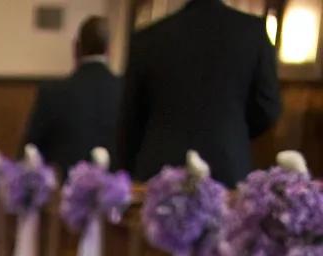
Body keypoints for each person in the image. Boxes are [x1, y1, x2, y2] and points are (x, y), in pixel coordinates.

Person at [120, 0, 281, 188]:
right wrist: (234, 127)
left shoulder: (148, 38)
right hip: (226, 166)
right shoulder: (253, 32)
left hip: (159, 169)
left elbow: (129, 119)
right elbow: (268, 107)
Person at [19, 17, 122, 177]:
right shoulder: (125, 91)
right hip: (117, 196)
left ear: (77, 48)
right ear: (109, 49)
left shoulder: (53, 92)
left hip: (64, 194)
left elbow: (29, 153)